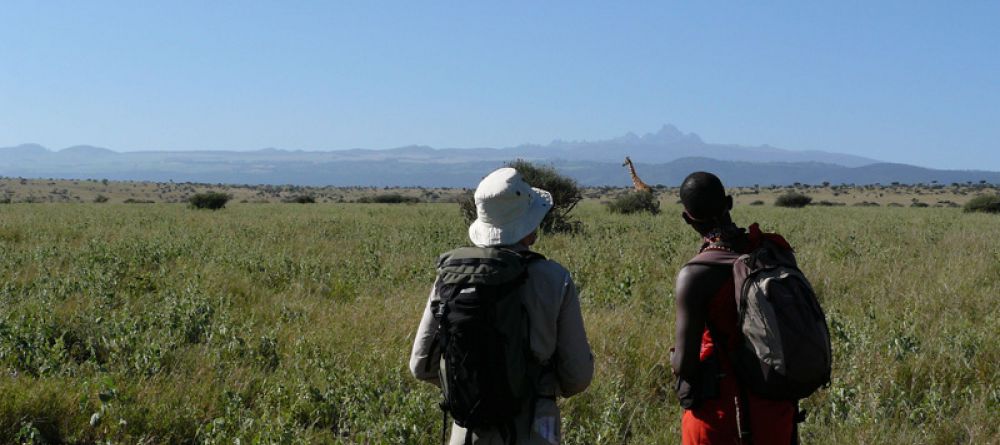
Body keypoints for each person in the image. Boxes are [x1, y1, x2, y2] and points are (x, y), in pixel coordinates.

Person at [410, 167, 594, 445]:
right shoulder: (555, 278)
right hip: (533, 429)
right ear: (529, 230)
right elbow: (577, 377)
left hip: (468, 432)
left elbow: (420, 366)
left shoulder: (450, 277)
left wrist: (472, 383)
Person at [671, 171, 796, 445]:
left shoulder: (696, 274)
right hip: (776, 410)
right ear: (729, 202)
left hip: (720, 417)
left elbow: (686, 366)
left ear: (687, 218)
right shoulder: (775, 251)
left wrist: (673, 358)